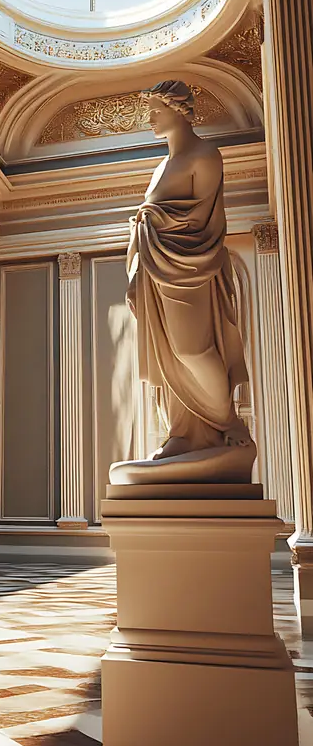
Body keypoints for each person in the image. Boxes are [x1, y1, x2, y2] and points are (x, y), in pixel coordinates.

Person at [126, 79, 252, 466]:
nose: (149, 118)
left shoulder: (204, 155)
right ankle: (183, 432)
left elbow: (207, 219)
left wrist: (156, 221)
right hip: (155, 266)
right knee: (170, 354)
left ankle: (228, 425)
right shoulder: (162, 164)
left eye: (154, 111)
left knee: (192, 349)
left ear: (178, 109)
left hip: (188, 266)